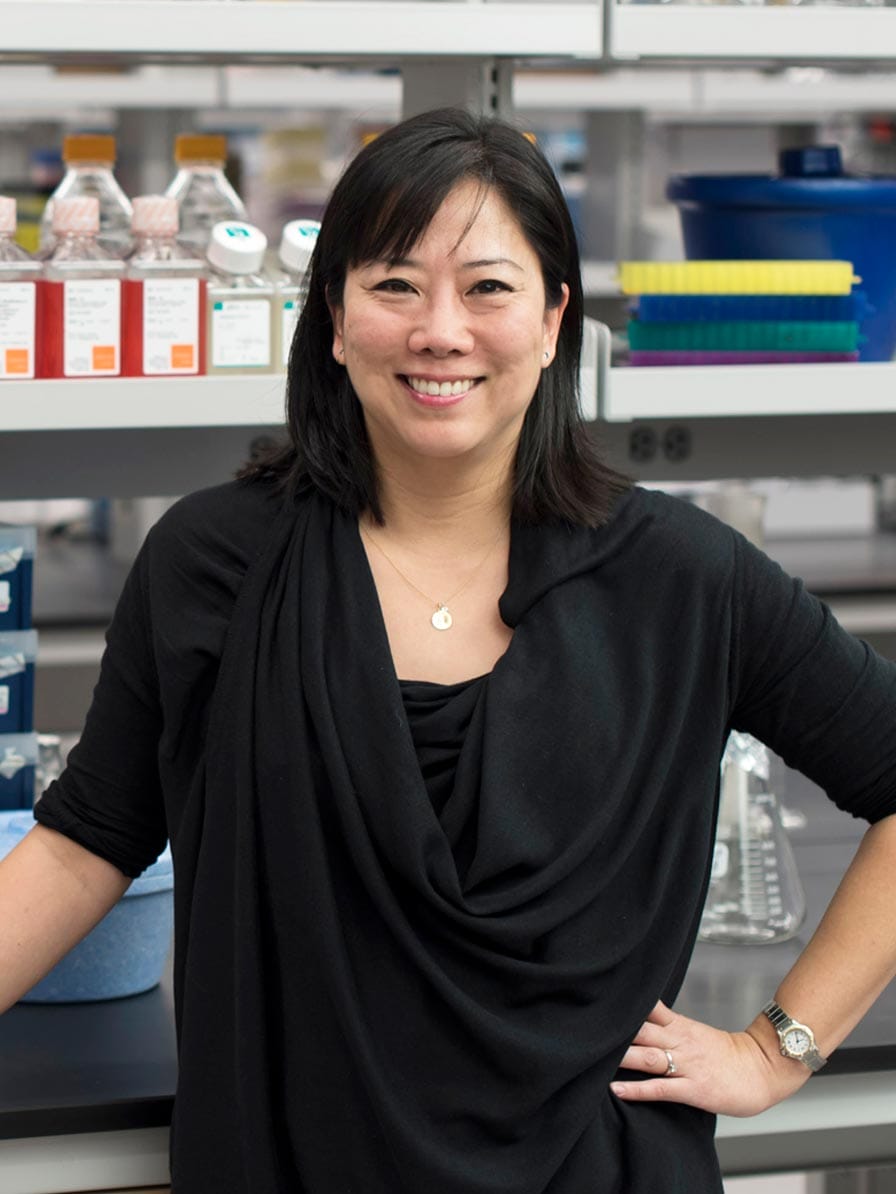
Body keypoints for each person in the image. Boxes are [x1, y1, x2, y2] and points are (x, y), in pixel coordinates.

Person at [1, 106, 895, 1194]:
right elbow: (86, 841)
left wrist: (774, 1049)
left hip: (591, 1171)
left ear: (554, 316)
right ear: (330, 318)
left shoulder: (682, 578)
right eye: (392, 286)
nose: (439, 330)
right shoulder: (214, 564)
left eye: (487, 287)